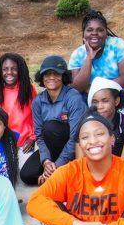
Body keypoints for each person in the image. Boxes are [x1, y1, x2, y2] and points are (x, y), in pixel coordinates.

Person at [20, 55, 86, 186]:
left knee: (51, 127)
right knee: (27, 175)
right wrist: (46, 161)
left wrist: (58, 163)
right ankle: (56, 174)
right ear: (42, 77)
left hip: (74, 148)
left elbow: (75, 137)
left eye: (56, 74)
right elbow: (39, 135)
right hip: (51, 149)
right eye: (47, 74)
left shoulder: (73, 97)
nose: (51, 78)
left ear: (63, 76)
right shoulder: (38, 101)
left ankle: (61, 170)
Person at [69, 10, 124, 121]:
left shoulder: (119, 46)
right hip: (96, 99)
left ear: (106, 32)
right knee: (99, 127)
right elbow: (78, 87)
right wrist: (89, 58)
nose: (94, 33)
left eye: (100, 30)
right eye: (89, 30)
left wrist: (97, 90)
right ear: (83, 33)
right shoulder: (78, 54)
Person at [0, 52, 37, 164]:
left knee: (24, 173)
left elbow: (36, 116)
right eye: (5, 69)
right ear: (0, 71)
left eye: (14, 69)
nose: (9, 72)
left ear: (20, 70)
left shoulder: (28, 90)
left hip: (25, 143)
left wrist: (33, 138)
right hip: (2, 141)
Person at [77, 77, 124, 160]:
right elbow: (80, 162)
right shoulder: (84, 126)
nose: (100, 107)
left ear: (116, 101)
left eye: (105, 101)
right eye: (95, 102)